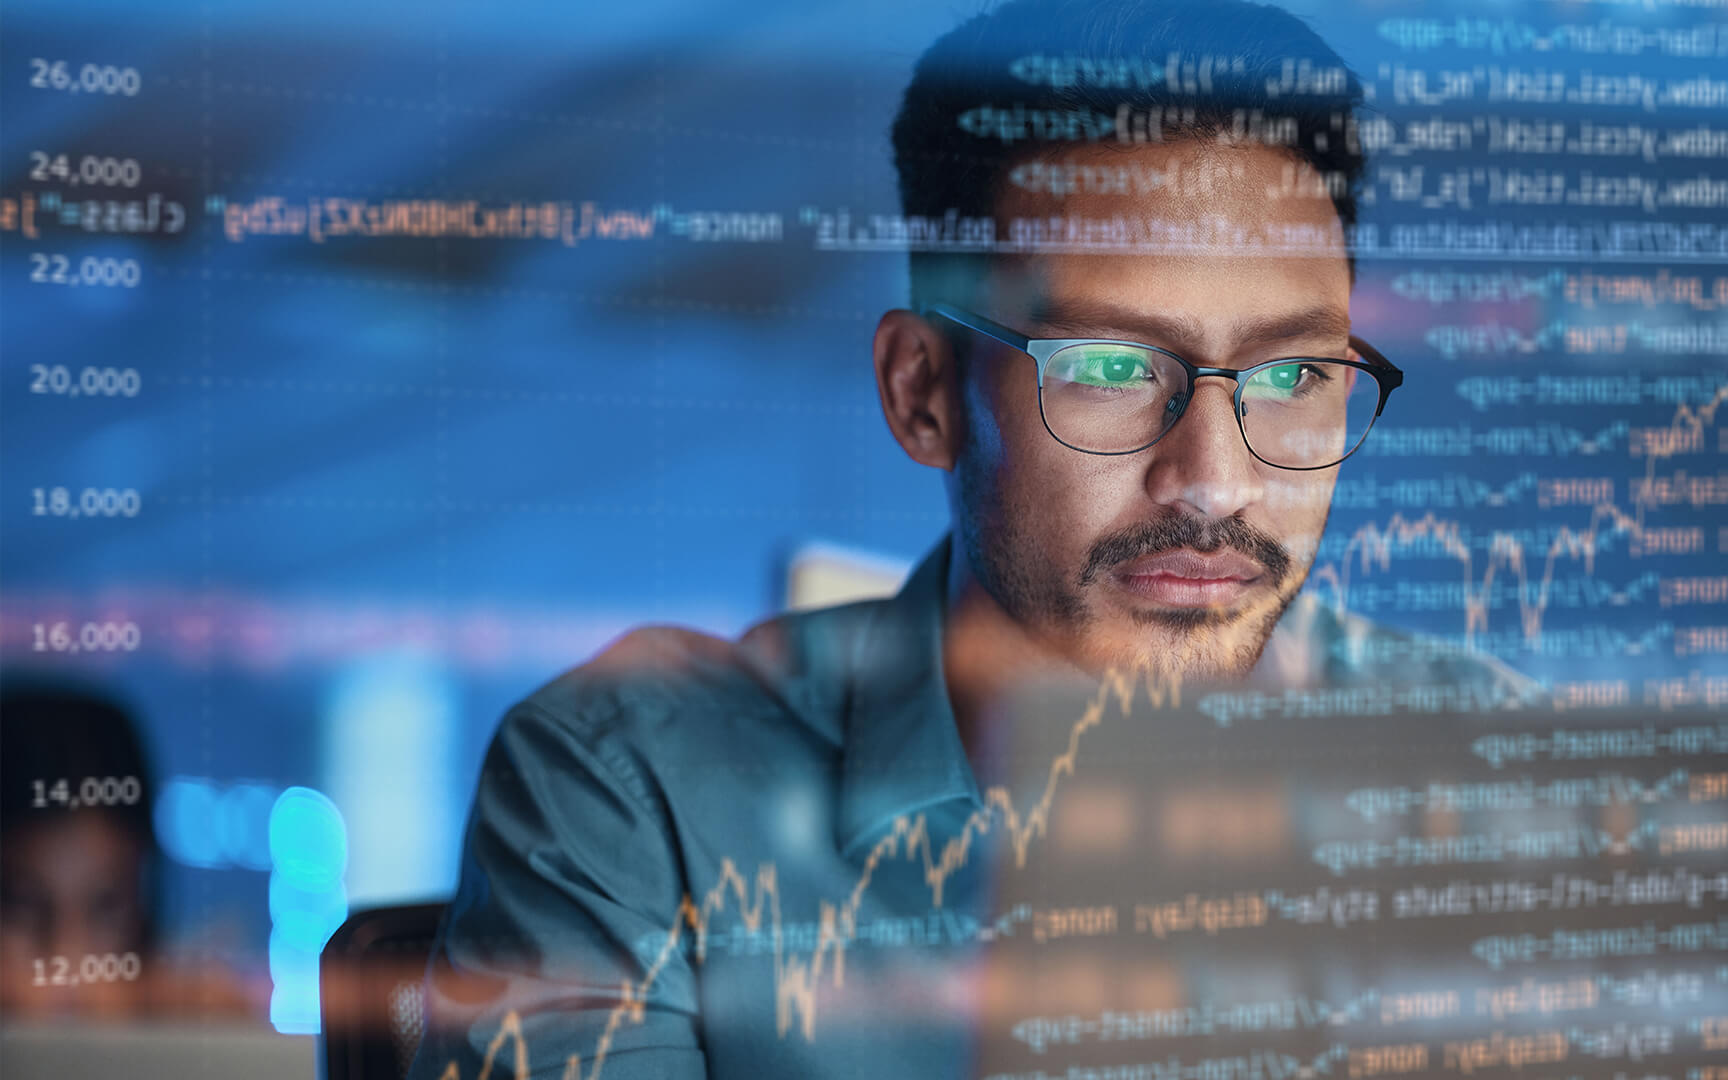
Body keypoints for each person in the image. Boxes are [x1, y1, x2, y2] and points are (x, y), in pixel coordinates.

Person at [410, 1, 1537, 1077]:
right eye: (1106, 367)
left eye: (1294, 375)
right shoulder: (635, 788)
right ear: (925, 393)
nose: (1215, 481)